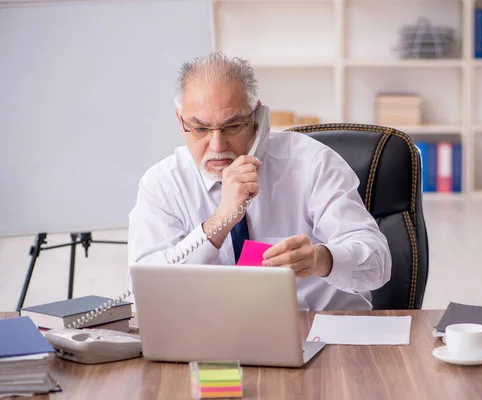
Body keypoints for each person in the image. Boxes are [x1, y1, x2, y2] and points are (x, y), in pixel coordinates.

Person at [128, 52, 392, 310]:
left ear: (257, 117)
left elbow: (378, 265)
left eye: (233, 126)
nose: (217, 146)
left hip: (324, 332)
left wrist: (320, 259)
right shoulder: (162, 184)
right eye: (200, 129)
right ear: (180, 120)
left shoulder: (313, 163)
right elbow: (146, 294)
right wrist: (219, 221)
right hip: (217, 339)